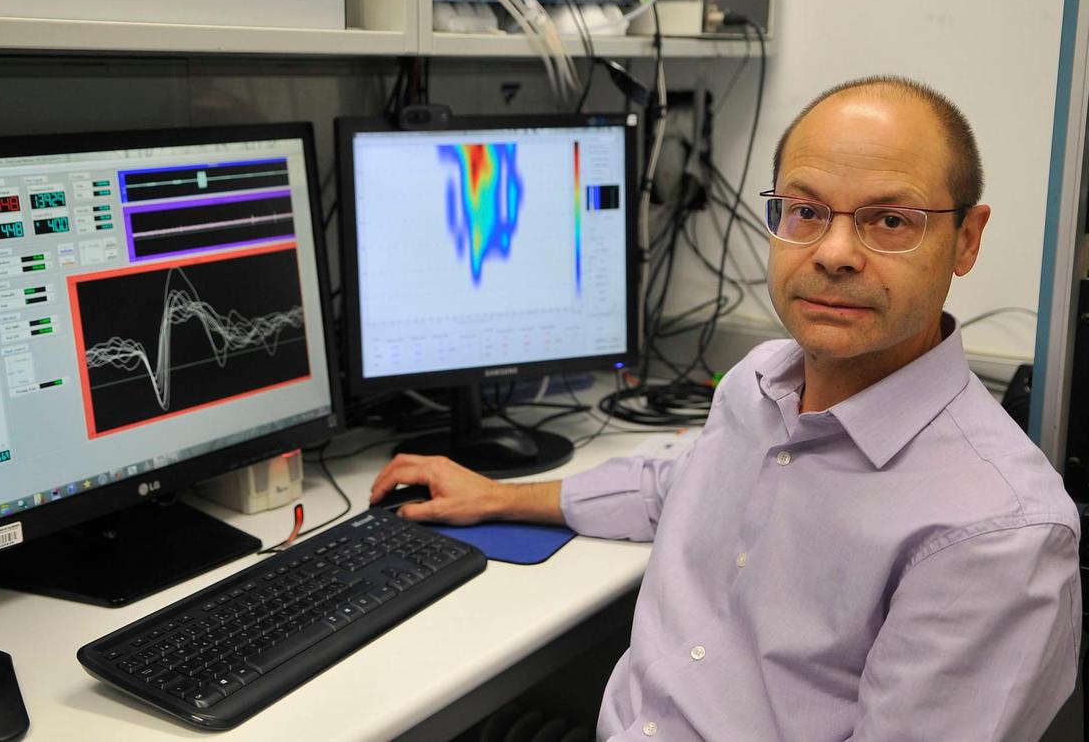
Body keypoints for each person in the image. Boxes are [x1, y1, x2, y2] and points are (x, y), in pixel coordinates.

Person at [369, 76, 1083, 741]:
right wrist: (500, 495)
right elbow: (674, 487)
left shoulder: (994, 533)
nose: (834, 252)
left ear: (966, 238)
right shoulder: (758, 383)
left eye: (889, 221)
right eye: (805, 211)